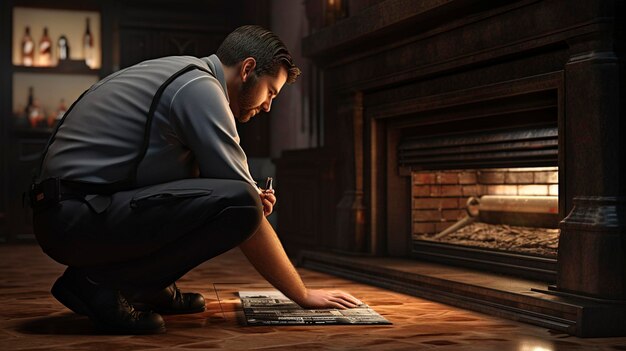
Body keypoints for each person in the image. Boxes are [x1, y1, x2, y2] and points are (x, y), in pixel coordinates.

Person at [30, 25, 360, 334]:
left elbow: (178, 185)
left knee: (238, 198)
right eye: (270, 92)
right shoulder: (200, 88)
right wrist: (301, 294)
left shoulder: (186, 73)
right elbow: (243, 206)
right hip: (72, 216)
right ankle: (100, 285)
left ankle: (148, 286)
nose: (269, 106)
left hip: (72, 210)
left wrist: (243, 194)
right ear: (247, 70)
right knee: (242, 204)